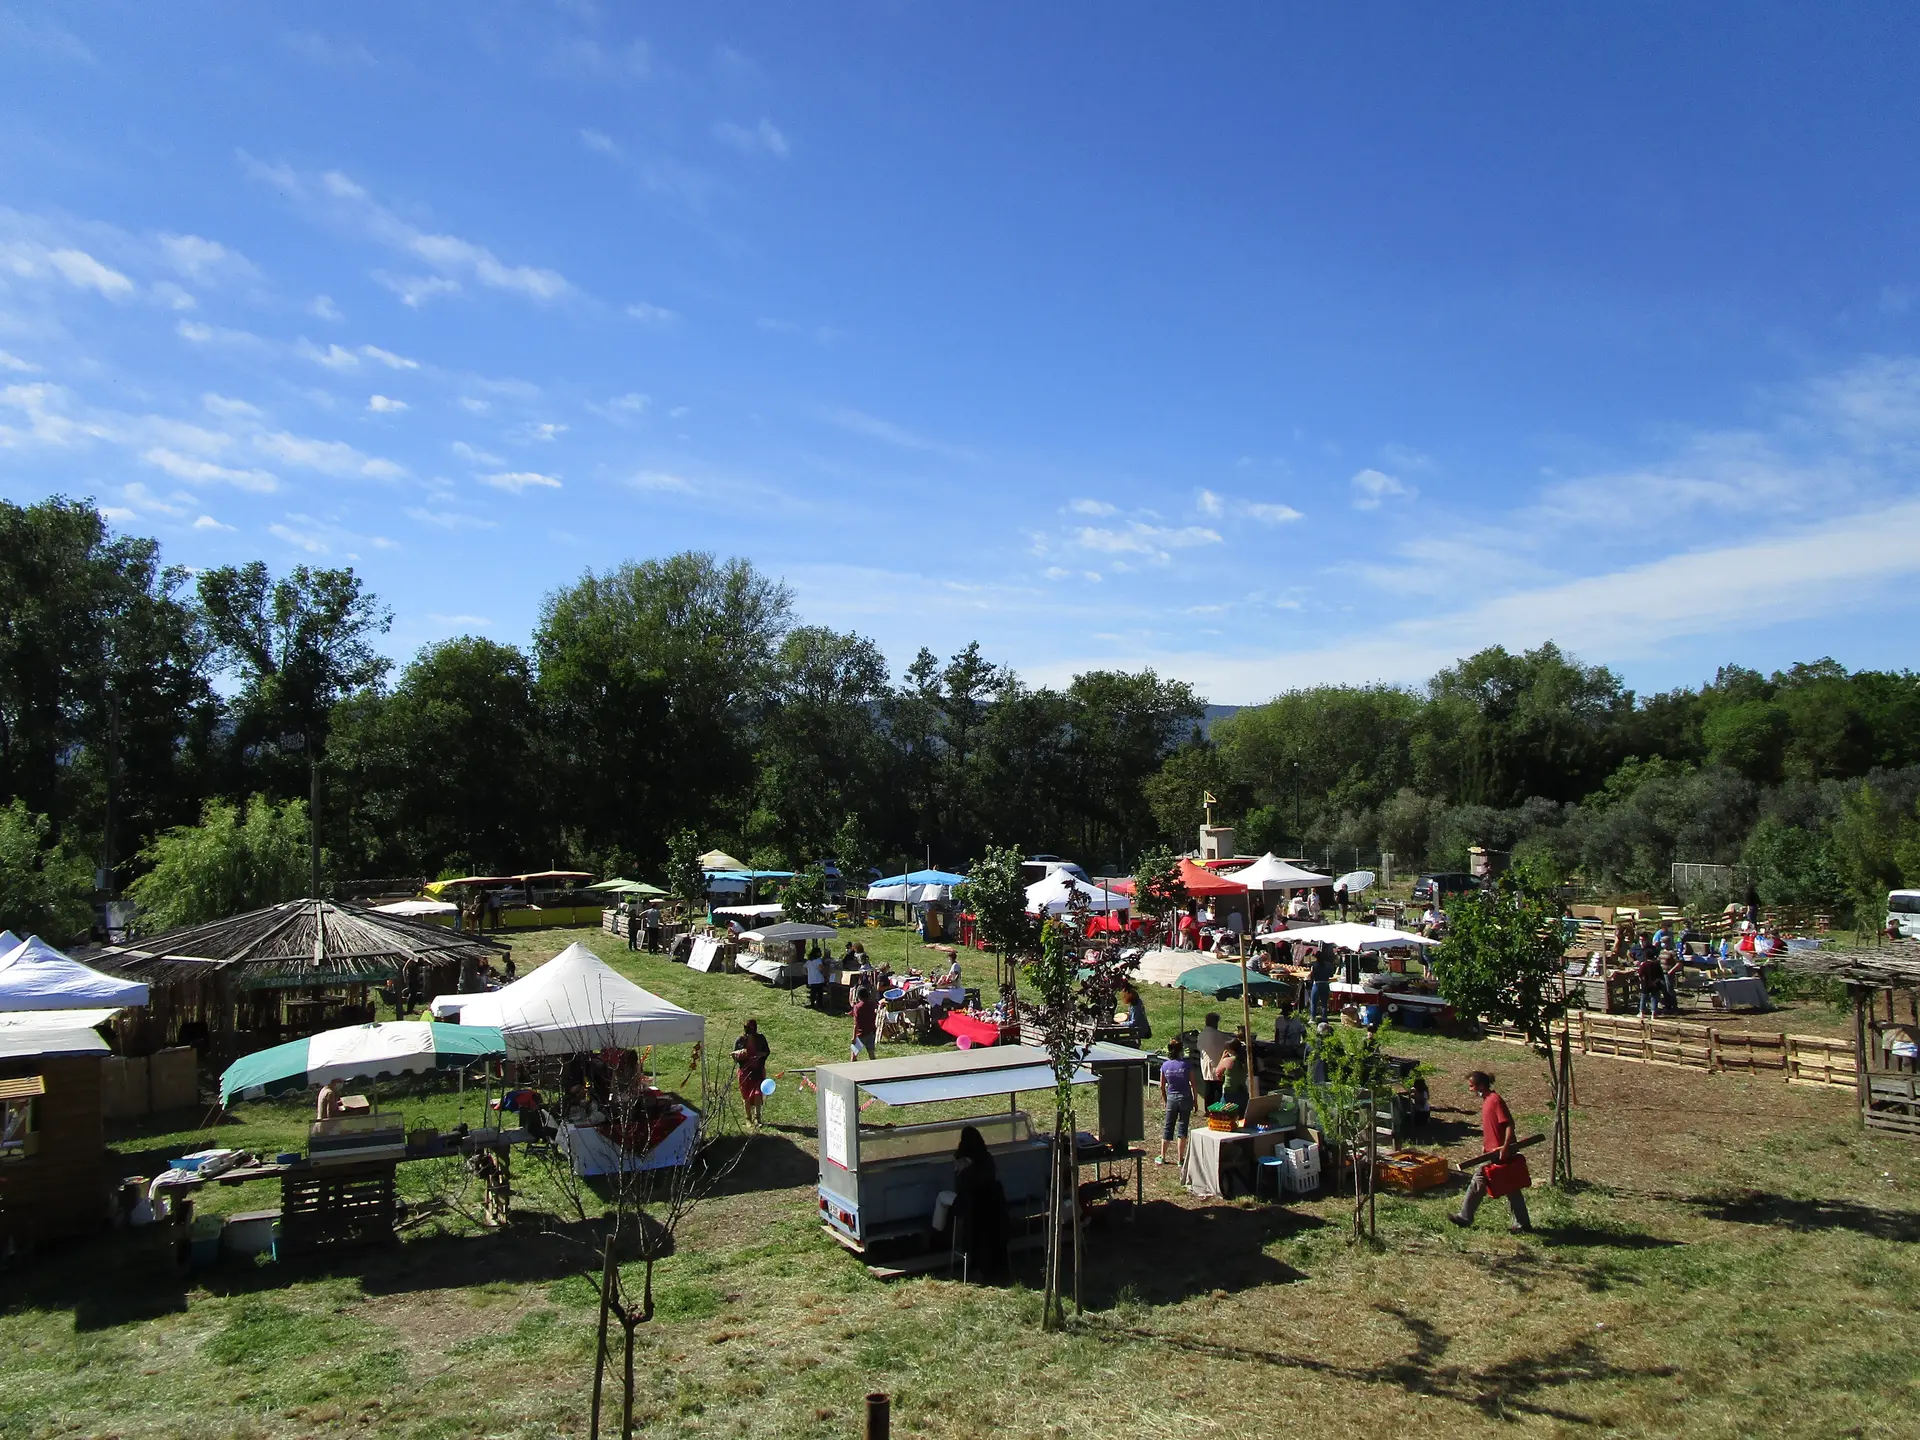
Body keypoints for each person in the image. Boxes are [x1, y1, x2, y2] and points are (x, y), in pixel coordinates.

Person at [1451, 1070, 1532, 1233]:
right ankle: (1466, 1217)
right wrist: (1485, 1145)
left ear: (1481, 1085)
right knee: (1489, 1183)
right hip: (1491, 1152)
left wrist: (1506, 1146)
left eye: (1472, 1086)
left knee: (1508, 1186)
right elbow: (1492, 1128)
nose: (1470, 1089)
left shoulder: (1495, 1101)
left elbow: (1509, 1124)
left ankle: (1466, 1217)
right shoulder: (1487, 1101)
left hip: (1501, 1153)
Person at [949, 1125, 1009, 1280]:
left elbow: (960, 1186)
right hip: (992, 1210)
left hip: (974, 1210)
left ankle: (933, 1238)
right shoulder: (986, 1158)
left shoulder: (963, 1160)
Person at [1157, 1038, 1196, 1166]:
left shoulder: (1165, 1066)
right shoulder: (1186, 1065)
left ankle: (1162, 1156)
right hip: (1185, 1097)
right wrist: (1195, 1100)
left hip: (1171, 1098)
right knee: (1182, 1127)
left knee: (1168, 1127)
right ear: (1180, 1052)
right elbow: (1193, 1084)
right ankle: (1180, 1159)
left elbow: (1162, 1086)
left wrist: (1164, 1100)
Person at [732, 1019, 771, 1126]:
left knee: (758, 1094)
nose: (751, 1030)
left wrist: (760, 1054)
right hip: (745, 1071)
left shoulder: (760, 1038)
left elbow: (767, 1052)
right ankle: (748, 1118)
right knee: (746, 1096)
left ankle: (757, 1118)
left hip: (758, 1069)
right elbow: (734, 1055)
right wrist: (740, 1054)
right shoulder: (740, 1040)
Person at [1195, 1013, 1229, 1108]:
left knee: (1208, 1085)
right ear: (1215, 1023)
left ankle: (1207, 1108)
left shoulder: (1201, 1035)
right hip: (1217, 1062)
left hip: (1206, 1062)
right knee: (1217, 1086)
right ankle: (1216, 1108)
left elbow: (1199, 1047)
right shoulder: (1219, 1035)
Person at [1217, 1038, 1249, 1116]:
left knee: (1225, 1117)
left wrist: (1222, 1058)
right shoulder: (1245, 1060)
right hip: (1243, 1091)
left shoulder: (1228, 1061)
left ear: (1230, 1050)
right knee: (1242, 1117)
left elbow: (1218, 1072)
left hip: (1229, 1092)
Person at [1307, 943, 1335, 1022]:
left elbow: (1312, 976)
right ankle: (1324, 1017)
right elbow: (1331, 975)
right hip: (1325, 983)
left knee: (1314, 1002)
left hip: (1317, 984)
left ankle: (1313, 1017)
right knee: (1324, 1002)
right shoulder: (1329, 965)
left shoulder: (1314, 965)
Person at [850, 983, 878, 1061]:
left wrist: (854, 1037)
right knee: (871, 1054)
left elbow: (856, 1023)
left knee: (854, 1054)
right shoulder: (872, 1004)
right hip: (871, 1031)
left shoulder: (857, 1007)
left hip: (860, 1034)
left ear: (858, 996)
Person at [1637, 949, 1663, 1018]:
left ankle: (1641, 1012)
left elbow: (1640, 974)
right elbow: (1660, 975)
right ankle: (1654, 1012)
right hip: (1655, 984)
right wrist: (1654, 982)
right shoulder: (1657, 964)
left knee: (1643, 998)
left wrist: (1642, 981)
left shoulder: (1644, 964)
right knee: (1654, 997)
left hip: (1645, 984)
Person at [805, 944, 829, 1009]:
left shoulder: (809, 961)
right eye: (820, 952)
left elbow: (804, 968)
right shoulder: (818, 960)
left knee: (813, 993)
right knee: (819, 993)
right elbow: (821, 968)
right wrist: (825, 975)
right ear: (817, 953)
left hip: (811, 979)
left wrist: (808, 973)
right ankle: (820, 1005)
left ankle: (812, 1004)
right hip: (818, 979)